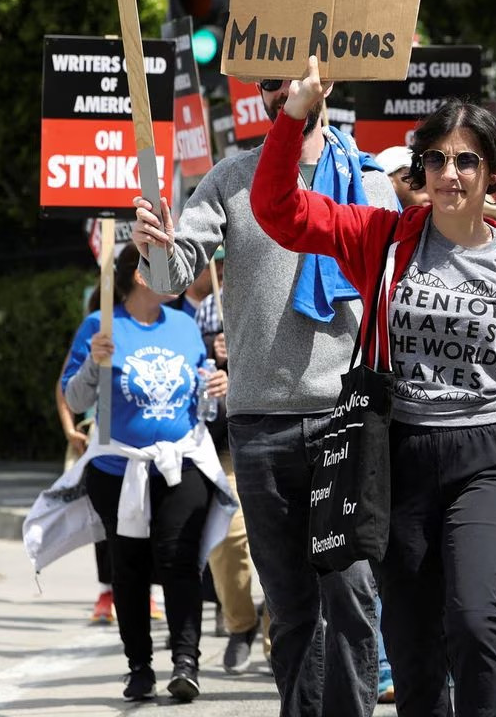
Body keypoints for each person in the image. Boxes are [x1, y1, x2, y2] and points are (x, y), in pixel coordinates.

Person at [249, 57, 496, 717]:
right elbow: (277, 210)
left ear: (492, 174)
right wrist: (295, 113)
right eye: (435, 160)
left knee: (478, 620)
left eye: (465, 161)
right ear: (420, 170)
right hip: (396, 463)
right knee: (413, 649)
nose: (449, 174)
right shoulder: (384, 239)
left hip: (486, 461)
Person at [133, 73, 392, 717]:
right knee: (292, 608)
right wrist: (153, 250)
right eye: (270, 86)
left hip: (346, 423)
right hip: (260, 428)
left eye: (292, 82)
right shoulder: (230, 178)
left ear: (321, 82)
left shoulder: (371, 180)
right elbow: (172, 272)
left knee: (354, 600)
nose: (283, 96)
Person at [61, 245, 231, 702]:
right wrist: (94, 366)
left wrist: (217, 385)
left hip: (179, 464)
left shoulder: (184, 325)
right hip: (118, 469)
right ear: (139, 275)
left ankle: (186, 661)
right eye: (166, 266)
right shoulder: (100, 325)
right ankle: (139, 666)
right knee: (129, 568)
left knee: (180, 560)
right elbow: (74, 400)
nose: (179, 273)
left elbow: (203, 396)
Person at [193, 247, 261, 674]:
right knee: (225, 538)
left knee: (289, 542)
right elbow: (197, 370)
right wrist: (215, 352)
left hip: (277, 427)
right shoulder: (208, 310)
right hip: (228, 443)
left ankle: (280, 638)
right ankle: (240, 623)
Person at [55, 285, 117, 628]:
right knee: (104, 518)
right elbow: (64, 386)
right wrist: (70, 429)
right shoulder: (94, 325)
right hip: (96, 431)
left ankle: (143, 590)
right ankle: (107, 590)